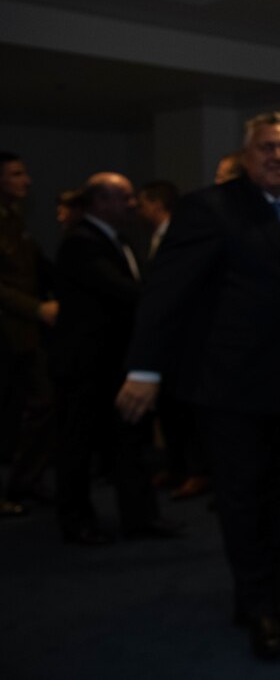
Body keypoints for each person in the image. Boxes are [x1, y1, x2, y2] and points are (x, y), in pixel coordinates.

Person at [117, 112, 280, 661]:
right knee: (242, 503)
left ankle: (272, 596)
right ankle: (257, 605)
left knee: (278, 500)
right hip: (230, 391)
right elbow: (166, 294)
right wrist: (145, 369)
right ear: (246, 155)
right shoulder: (209, 208)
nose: (279, 155)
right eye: (268, 147)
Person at [52, 173, 178, 545]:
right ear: (101, 202)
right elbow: (122, 292)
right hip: (85, 366)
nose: (133, 204)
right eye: (125, 198)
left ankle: (139, 517)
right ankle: (76, 521)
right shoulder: (81, 243)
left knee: (129, 444)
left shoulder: (115, 239)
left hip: (114, 363)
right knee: (78, 446)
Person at [136, 179, 210, 501]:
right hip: (167, 342)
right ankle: (177, 465)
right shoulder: (154, 237)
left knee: (187, 410)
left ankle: (197, 470)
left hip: (186, 341)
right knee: (169, 409)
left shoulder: (181, 237)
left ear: (154, 204)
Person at [0, 152, 57, 516]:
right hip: (6, 333)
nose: (27, 181)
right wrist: (37, 308)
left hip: (24, 336)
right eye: (17, 174)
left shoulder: (15, 221)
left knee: (39, 406)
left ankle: (25, 481)